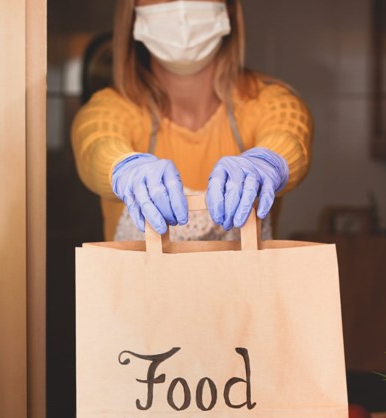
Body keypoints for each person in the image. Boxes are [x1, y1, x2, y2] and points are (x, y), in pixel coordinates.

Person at [71, 0, 314, 242]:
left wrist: (268, 163)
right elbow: (97, 144)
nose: (181, 8)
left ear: (228, 7)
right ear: (132, 12)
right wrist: (124, 169)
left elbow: (289, 137)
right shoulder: (110, 109)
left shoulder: (272, 103)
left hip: (248, 283)